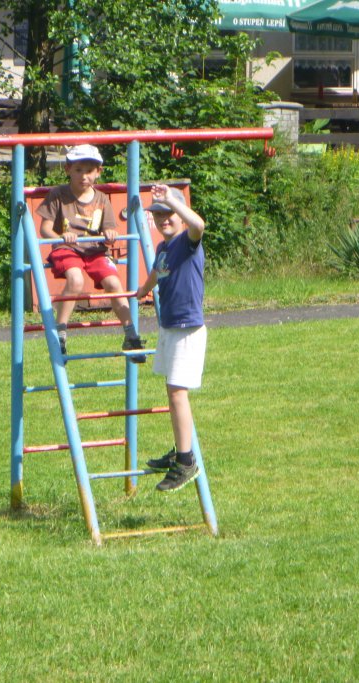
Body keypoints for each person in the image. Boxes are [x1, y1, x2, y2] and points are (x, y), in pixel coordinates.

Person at [37, 144, 145, 361]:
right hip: (67, 248)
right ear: (68, 169)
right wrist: (61, 236)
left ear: (98, 172)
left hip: (95, 250)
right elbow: (44, 229)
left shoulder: (101, 199)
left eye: (89, 171)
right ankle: (61, 330)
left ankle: (130, 333)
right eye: (78, 170)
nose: (83, 176)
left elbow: (108, 229)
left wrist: (110, 234)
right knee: (75, 280)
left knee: (114, 283)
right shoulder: (58, 195)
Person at [135, 184, 207, 492]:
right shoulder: (163, 248)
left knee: (178, 393)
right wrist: (143, 290)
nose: (163, 219)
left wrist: (172, 201)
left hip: (187, 327)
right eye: (158, 215)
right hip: (169, 326)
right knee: (171, 391)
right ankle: (180, 448)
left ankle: (186, 461)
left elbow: (198, 224)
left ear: (180, 215)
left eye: (169, 214)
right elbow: (156, 271)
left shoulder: (187, 242)